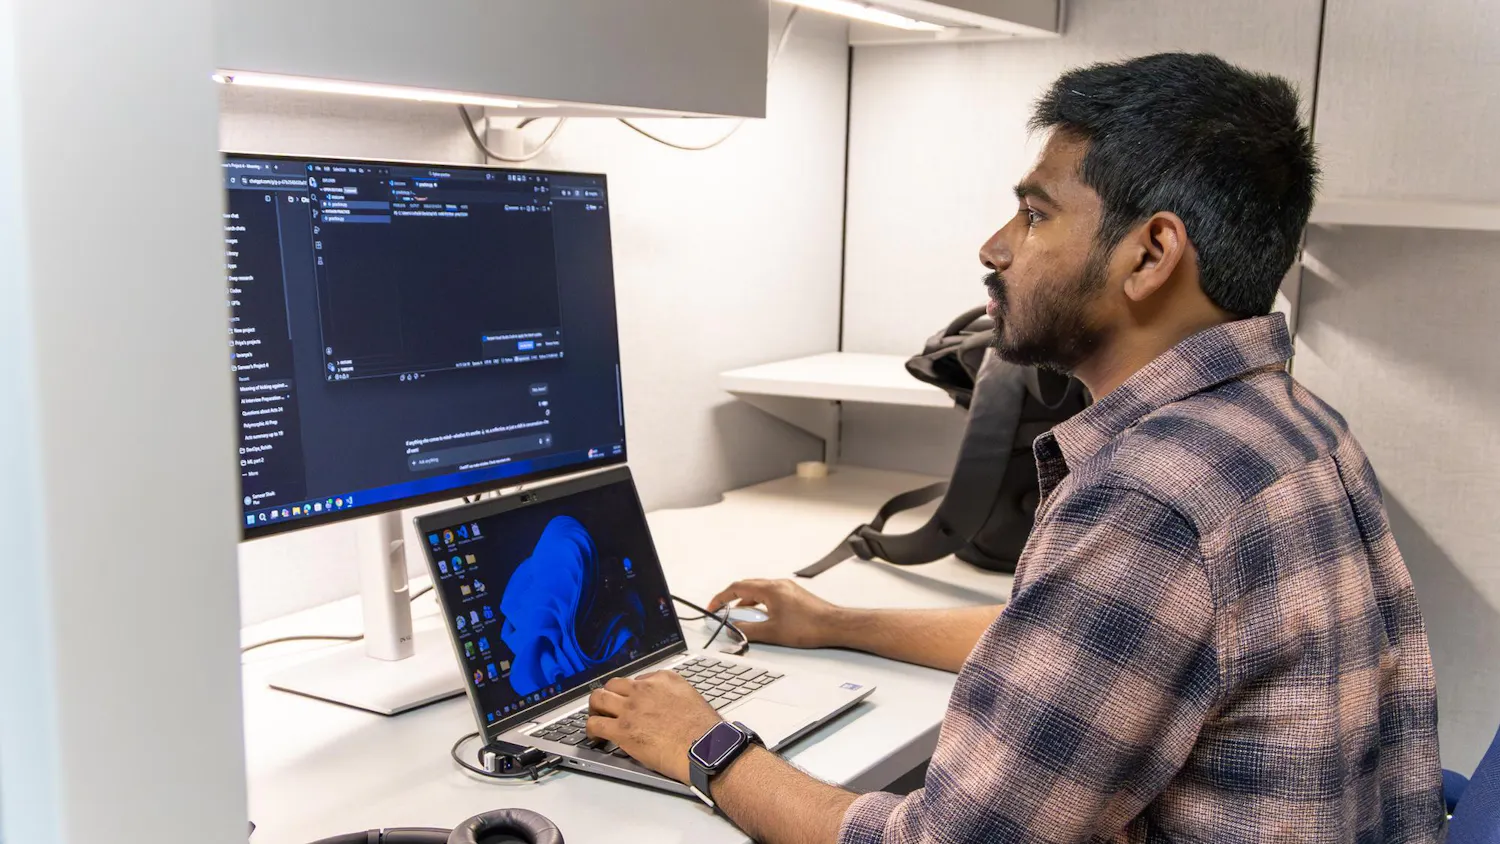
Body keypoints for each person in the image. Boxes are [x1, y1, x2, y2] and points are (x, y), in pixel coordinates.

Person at [584, 52, 1444, 843]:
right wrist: (836, 624)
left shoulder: (1155, 497)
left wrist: (706, 744)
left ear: (1150, 255)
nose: (994, 247)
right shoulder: (1293, 426)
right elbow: (1083, 649)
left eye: (1035, 215)